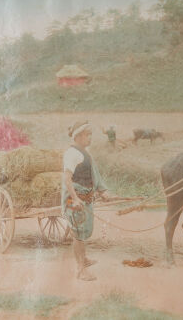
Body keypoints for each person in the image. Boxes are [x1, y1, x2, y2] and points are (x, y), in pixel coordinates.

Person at [62, 120, 109, 281]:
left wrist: (103, 191)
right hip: (72, 199)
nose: (90, 138)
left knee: (84, 230)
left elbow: (94, 174)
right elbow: (67, 180)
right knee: (78, 233)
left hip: (85, 197)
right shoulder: (72, 154)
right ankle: (80, 270)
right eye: (87, 135)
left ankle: (84, 259)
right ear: (78, 136)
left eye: (90, 135)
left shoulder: (86, 153)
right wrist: (75, 199)